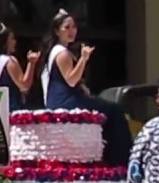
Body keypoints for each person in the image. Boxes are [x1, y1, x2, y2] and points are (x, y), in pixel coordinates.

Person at [39, 9, 131, 165]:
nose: (71, 31)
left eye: (73, 27)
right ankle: (120, 160)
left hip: (66, 98)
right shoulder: (62, 53)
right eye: (66, 27)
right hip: (67, 102)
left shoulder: (59, 51)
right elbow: (71, 80)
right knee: (114, 110)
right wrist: (83, 58)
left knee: (107, 109)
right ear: (56, 31)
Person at [0, 22, 40, 113]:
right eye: (12, 39)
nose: (15, 42)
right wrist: (31, 63)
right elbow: (24, 85)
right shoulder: (9, 61)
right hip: (12, 109)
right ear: (5, 42)